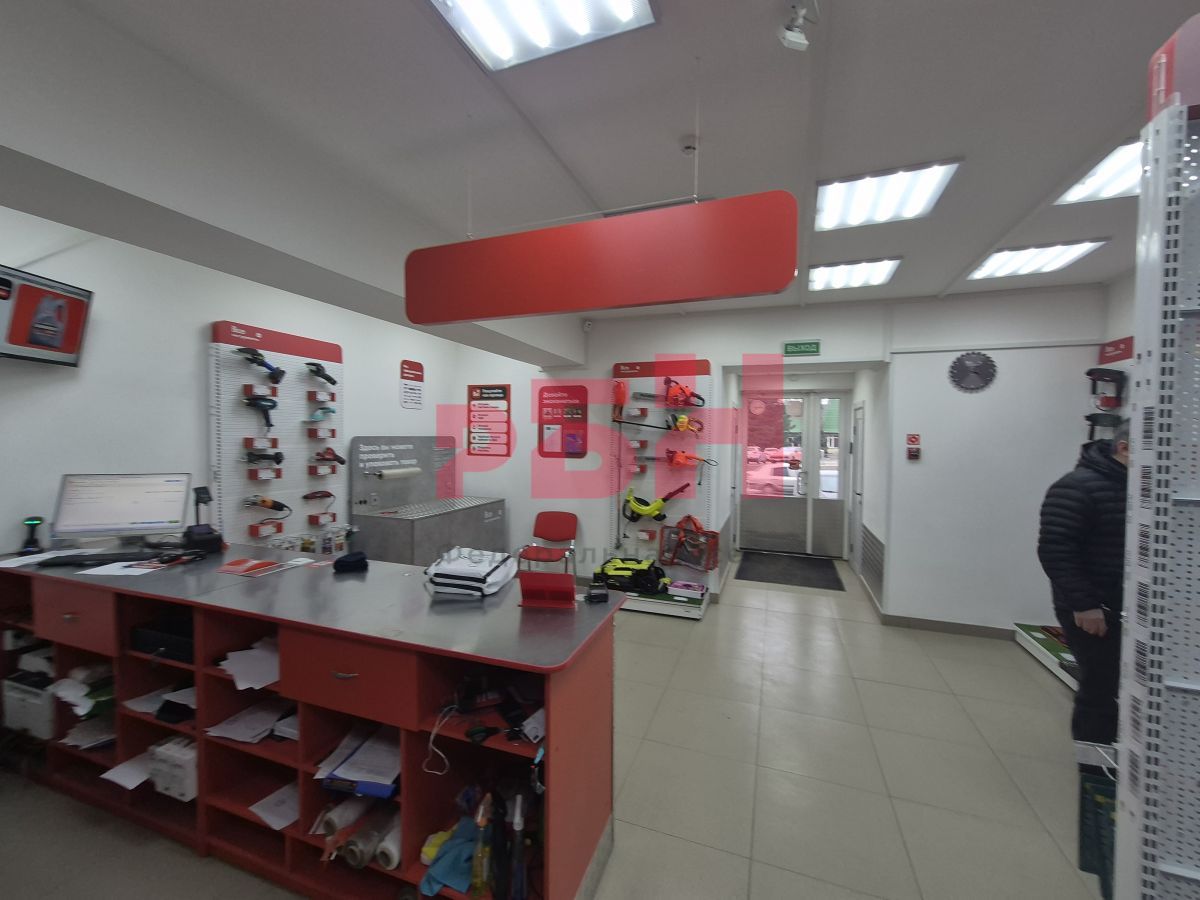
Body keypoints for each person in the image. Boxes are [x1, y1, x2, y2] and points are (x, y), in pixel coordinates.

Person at [1037, 421, 1129, 745]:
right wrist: (1085, 604)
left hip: (1131, 606)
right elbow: (1055, 550)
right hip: (1093, 608)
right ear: (1124, 448)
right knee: (1100, 688)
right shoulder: (1076, 487)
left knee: (1125, 685)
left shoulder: (1145, 490)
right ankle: (1095, 764)